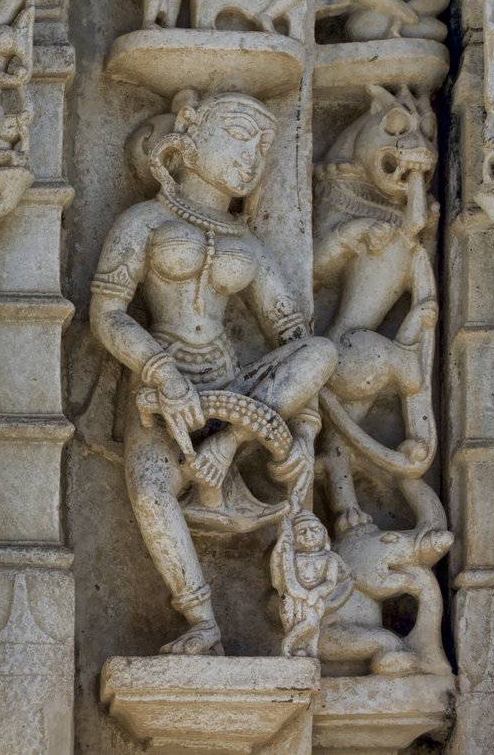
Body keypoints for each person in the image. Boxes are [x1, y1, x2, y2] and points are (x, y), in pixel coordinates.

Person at [90, 90, 337, 654]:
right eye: (238, 136)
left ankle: (226, 449)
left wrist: (303, 430)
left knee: (322, 353)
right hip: (163, 391)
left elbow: (293, 340)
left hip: (240, 395)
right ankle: (201, 619)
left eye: (263, 147)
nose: (251, 157)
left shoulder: (244, 244)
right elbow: (107, 314)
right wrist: (162, 372)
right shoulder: (145, 223)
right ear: (190, 137)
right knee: (151, 491)